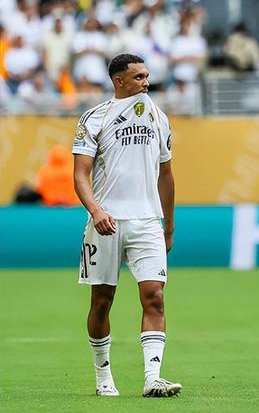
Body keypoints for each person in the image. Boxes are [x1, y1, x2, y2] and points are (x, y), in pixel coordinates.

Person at [71, 53, 180, 397]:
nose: (146, 82)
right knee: (102, 301)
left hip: (147, 221)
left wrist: (168, 225)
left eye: (147, 76)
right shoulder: (94, 117)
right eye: (138, 77)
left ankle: (152, 378)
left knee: (154, 296)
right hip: (106, 222)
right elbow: (80, 174)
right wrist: (96, 211)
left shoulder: (160, 118)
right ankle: (103, 377)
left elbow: (166, 175)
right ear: (119, 81)